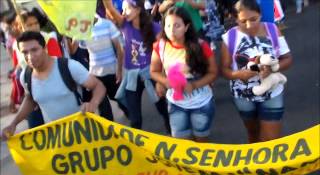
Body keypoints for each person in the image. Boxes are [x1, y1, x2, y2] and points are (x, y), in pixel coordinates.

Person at [1, 31, 106, 140]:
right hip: (56, 140)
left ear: (45, 48)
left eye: (34, 50)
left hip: (84, 134)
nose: (30, 56)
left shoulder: (69, 67)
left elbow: (99, 86)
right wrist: (14, 123)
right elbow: (31, 98)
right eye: (25, 52)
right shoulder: (26, 76)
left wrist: (93, 103)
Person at [220, 0, 292, 143]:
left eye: (254, 19)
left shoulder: (272, 30)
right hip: (243, 96)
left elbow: (287, 58)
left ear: (260, 15)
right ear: (235, 20)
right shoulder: (230, 37)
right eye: (243, 21)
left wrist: (272, 68)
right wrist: (237, 74)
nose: (249, 25)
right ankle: (256, 165)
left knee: (272, 140)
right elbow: (224, 69)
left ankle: (272, 165)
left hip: (272, 92)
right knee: (253, 135)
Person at [103, 0, 171, 134]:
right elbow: (110, 9)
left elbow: (164, 55)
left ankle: (175, 138)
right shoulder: (125, 25)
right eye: (122, 10)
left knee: (164, 111)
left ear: (138, 9)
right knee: (135, 120)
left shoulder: (154, 27)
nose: (123, 13)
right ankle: (139, 149)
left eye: (126, 9)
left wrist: (161, 80)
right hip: (132, 75)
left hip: (151, 73)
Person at [150, 7, 217, 142]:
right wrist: (164, 81)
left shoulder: (201, 46)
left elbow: (213, 73)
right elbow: (154, 71)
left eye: (177, 25)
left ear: (186, 27)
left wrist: (194, 84)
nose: (172, 30)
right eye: (168, 25)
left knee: (201, 142)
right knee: (182, 144)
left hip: (201, 103)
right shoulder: (160, 46)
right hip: (176, 104)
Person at [80, 15, 128, 121]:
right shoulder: (82, 29)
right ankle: (111, 134)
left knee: (122, 100)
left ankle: (135, 126)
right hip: (95, 75)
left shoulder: (107, 24)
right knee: (104, 111)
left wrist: (119, 70)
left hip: (112, 72)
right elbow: (80, 50)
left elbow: (119, 49)